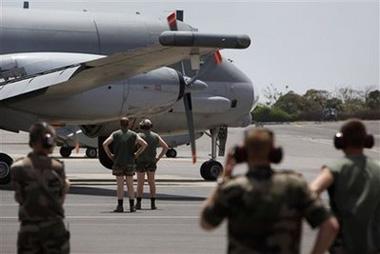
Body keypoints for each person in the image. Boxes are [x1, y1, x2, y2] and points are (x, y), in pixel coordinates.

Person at [200, 128, 339, 254]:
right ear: (275, 153)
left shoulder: (233, 188)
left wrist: (224, 179)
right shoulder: (295, 185)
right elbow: (330, 226)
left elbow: (206, 223)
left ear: (242, 154)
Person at [310, 119, 380, 254]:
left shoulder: (336, 168)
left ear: (340, 142)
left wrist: (326, 219)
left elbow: (311, 191)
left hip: (345, 246)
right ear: (367, 141)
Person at [11, 122, 70, 254]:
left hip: (29, 228)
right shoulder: (57, 167)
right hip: (54, 228)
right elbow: (60, 199)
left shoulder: (17, 168)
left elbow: (20, 198)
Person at [103, 117, 147, 213]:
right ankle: (132, 206)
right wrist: (137, 154)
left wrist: (110, 155)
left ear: (120, 124)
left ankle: (120, 206)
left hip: (118, 162)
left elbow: (105, 144)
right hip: (130, 162)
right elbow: (144, 144)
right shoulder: (133, 134)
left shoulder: (115, 134)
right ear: (128, 124)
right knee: (130, 185)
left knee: (120, 186)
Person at [135, 119, 169, 210]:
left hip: (140, 162)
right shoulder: (156, 136)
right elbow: (165, 147)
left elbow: (132, 146)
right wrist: (158, 158)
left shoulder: (138, 136)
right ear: (151, 126)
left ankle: (138, 203)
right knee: (152, 182)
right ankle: (153, 204)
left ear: (141, 126)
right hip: (152, 162)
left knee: (140, 183)